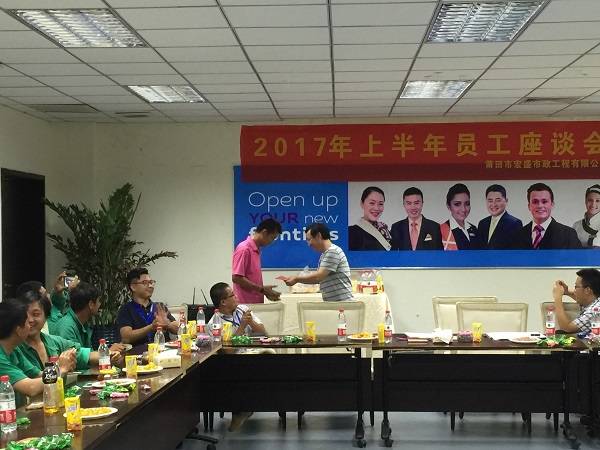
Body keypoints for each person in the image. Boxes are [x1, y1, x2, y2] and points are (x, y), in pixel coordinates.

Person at [16, 290, 122, 372]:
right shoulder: (14, 348)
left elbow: (82, 354)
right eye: (25, 315)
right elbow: (31, 385)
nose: (29, 320)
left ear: (46, 316)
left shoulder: (53, 341)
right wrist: (61, 369)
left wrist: (110, 355)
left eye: (35, 314)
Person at [0, 298, 74, 406]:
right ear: (19, 330)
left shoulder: (14, 350)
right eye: (27, 322)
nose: (30, 324)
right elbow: (31, 387)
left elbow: (38, 375)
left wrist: (59, 365)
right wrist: (61, 370)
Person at [283, 223, 353, 301]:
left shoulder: (333, 252)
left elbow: (318, 277)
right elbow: (320, 279)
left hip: (343, 304)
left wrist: (296, 279)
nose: (309, 244)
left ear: (319, 236)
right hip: (335, 303)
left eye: (309, 239)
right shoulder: (325, 254)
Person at [117, 268, 178, 345]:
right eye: (145, 283)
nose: (150, 286)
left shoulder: (159, 307)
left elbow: (180, 330)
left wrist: (167, 324)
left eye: (151, 282)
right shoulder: (126, 309)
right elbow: (126, 337)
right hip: (139, 352)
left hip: (163, 351)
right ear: (133, 287)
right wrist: (151, 327)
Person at [513, 183, 581, 249]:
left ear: (552, 205)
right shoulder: (517, 235)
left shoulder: (568, 235)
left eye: (544, 201)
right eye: (535, 202)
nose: (540, 206)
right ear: (529, 206)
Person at [232, 218, 282, 303]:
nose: (272, 242)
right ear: (264, 233)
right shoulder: (244, 249)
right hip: (245, 304)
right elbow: (236, 278)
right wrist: (262, 289)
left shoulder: (256, 250)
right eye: (272, 238)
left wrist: (264, 291)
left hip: (255, 303)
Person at [552, 268, 600, 334]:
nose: (574, 291)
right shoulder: (595, 301)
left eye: (576, 287)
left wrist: (557, 298)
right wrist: (567, 292)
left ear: (587, 290)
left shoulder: (594, 311)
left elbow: (567, 328)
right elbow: (584, 300)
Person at [477, 184, 523, 250]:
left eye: (498, 200)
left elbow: (516, 252)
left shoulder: (515, 223)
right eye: (490, 201)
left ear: (506, 201)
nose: (494, 204)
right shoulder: (482, 223)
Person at [440, 183, 482, 250]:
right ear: (448, 206)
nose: (463, 209)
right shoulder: (441, 232)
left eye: (467, 204)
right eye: (457, 204)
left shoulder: (474, 229)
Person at [348, 186, 392, 251]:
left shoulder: (385, 230)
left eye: (380, 204)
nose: (376, 208)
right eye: (372, 203)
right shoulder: (351, 232)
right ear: (362, 204)